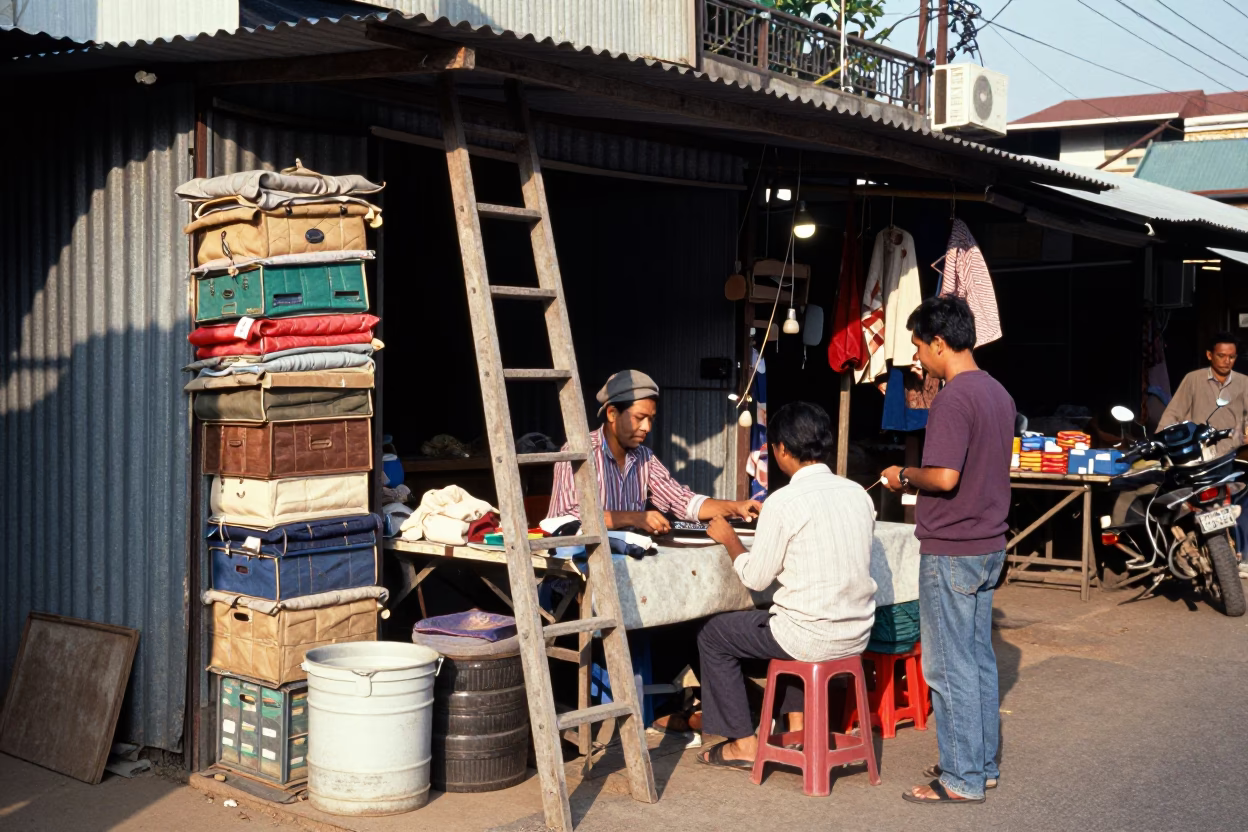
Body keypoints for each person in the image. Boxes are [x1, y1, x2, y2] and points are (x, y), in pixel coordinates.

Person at [881, 296, 1015, 806]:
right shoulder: (997, 393)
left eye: (918, 346)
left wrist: (903, 475)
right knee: (977, 658)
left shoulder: (954, 398)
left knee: (946, 665)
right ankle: (978, 765)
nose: (918, 358)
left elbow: (944, 476)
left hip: (953, 546)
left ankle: (961, 777)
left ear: (939, 342)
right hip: (987, 543)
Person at [693, 401, 877, 770]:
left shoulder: (783, 501)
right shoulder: (859, 494)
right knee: (791, 619)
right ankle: (799, 728)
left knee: (713, 634)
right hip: (856, 634)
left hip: (809, 636)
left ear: (780, 450)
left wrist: (730, 539)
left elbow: (756, 578)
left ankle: (743, 743)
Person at [546, 370, 761, 533]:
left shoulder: (644, 457)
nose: (647, 428)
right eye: (639, 418)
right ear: (612, 413)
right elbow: (569, 520)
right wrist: (635, 518)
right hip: (573, 576)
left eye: (651, 419)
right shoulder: (578, 452)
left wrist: (736, 507)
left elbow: (682, 502)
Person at [1157, 332, 1248, 570]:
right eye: (1221, 355)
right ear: (1210, 355)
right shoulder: (1193, 379)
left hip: (1231, 453)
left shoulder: (1244, 383)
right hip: (1195, 456)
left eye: (1232, 357)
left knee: (1241, 498)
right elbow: (1173, 413)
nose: (1227, 361)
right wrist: (1162, 439)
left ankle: (1243, 555)